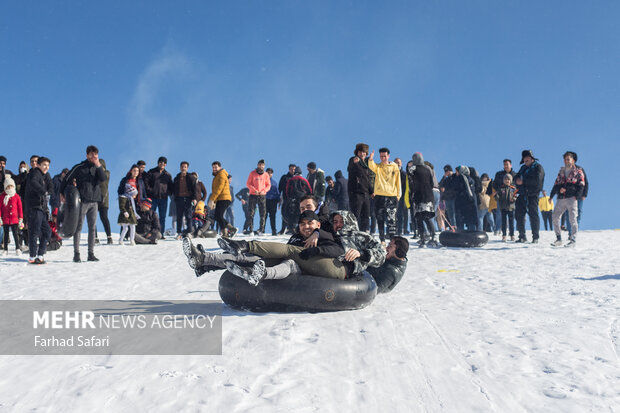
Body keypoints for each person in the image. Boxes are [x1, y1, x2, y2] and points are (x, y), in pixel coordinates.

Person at [185, 211, 346, 284]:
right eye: (303, 224)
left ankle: (261, 272)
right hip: (288, 264)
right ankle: (204, 259)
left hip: (306, 271)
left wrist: (317, 249)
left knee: (289, 263)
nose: (306, 227)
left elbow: (337, 250)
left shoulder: (324, 236)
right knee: (246, 258)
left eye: (310, 224)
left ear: (317, 225)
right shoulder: (296, 237)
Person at [61, 145, 106, 262]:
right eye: (91, 155)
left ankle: (91, 253)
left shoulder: (98, 167)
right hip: (82, 201)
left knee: (92, 228)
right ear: (87, 155)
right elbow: (66, 179)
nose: (94, 157)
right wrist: (62, 193)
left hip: (94, 202)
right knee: (78, 228)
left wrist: (98, 165)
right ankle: (76, 254)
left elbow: (103, 178)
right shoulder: (79, 167)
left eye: (96, 155)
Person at [550, 151, 585, 247]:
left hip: (571, 198)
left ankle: (573, 240)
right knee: (555, 217)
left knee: (572, 218)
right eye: (565, 159)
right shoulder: (561, 171)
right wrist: (551, 195)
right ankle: (558, 239)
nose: (566, 161)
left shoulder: (578, 171)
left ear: (573, 160)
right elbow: (556, 184)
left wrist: (576, 196)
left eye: (568, 159)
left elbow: (581, 185)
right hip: (561, 198)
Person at [368, 147, 401, 244]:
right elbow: (371, 166)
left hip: (392, 196)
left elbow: (398, 181)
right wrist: (371, 159)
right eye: (381, 156)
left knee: (391, 220)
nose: (383, 158)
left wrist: (398, 195)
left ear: (388, 156)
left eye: (385, 156)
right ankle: (382, 240)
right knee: (380, 219)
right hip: (379, 196)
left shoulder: (394, 167)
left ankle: (392, 240)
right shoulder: (377, 167)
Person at [25, 156, 53, 264]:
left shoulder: (45, 175)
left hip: (42, 209)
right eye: (44, 165)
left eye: (48, 165)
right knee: (34, 232)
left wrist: (49, 191)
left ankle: (40, 255)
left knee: (47, 232)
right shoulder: (35, 173)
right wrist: (44, 192)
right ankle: (32, 257)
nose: (46, 167)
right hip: (34, 207)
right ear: (39, 165)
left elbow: (51, 186)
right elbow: (33, 183)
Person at [514, 150, 545, 243]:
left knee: (533, 215)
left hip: (533, 195)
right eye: (524, 158)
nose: (525, 159)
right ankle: (522, 236)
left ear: (532, 158)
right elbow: (516, 177)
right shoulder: (522, 168)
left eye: (527, 158)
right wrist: (517, 180)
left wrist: (523, 181)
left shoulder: (538, 167)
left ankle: (535, 237)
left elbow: (537, 181)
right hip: (522, 194)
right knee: (518, 214)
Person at [407, 153, 438, 247]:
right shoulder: (428, 168)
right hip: (428, 195)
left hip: (418, 195)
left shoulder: (412, 169)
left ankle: (423, 238)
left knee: (419, 218)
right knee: (427, 217)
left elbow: (410, 182)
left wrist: (411, 194)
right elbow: (432, 183)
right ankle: (433, 236)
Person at [347, 143, 373, 232]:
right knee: (355, 215)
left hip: (365, 193)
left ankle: (363, 233)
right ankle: (353, 232)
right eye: (360, 152)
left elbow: (367, 179)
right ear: (357, 152)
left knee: (366, 215)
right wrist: (357, 163)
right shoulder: (353, 160)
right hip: (356, 192)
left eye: (364, 152)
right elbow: (358, 172)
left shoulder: (366, 164)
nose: (362, 154)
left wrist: (371, 191)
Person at [145, 156, 173, 236]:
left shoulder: (167, 175)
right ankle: (149, 232)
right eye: (161, 162)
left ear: (166, 164)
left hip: (163, 199)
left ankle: (160, 233)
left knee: (162, 217)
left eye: (164, 163)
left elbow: (171, 186)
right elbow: (146, 183)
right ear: (158, 163)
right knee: (150, 216)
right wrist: (151, 191)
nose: (162, 164)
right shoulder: (151, 172)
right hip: (153, 198)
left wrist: (167, 193)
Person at [209, 161, 237, 238]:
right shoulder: (217, 176)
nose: (214, 169)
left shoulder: (221, 175)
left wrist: (212, 199)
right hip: (220, 198)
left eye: (216, 167)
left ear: (220, 167)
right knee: (217, 216)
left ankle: (225, 233)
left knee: (219, 215)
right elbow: (215, 190)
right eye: (213, 167)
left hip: (224, 198)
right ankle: (231, 229)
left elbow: (219, 189)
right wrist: (214, 201)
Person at [173, 161, 198, 239]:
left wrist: (194, 198)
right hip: (179, 199)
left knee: (188, 216)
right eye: (182, 167)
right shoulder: (176, 178)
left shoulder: (191, 177)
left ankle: (189, 232)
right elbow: (174, 189)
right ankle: (179, 233)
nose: (183, 168)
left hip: (188, 199)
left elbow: (195, 189)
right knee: (179, 216)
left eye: (185, 167)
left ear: (187, 168)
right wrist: (175, 197)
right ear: (180, 168)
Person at [283, 166, 312, 233]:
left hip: (292, 199)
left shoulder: (291, 180)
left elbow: (287, 190)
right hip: (302, 199)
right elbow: (309, 190)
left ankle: (291, 228)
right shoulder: (304, 180)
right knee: (301, 214)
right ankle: (300, 229)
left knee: (291, 214)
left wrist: (288, 198)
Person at [117, 165, 141, 246]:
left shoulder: (138, 180)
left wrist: (136, 196)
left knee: (133, 225)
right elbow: (120, 191)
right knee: (125, 226)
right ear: (131, 171)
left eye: (137, 171)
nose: (136, 173)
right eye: (134, 170)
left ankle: (132, 240)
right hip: (126, 203)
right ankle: (121, 240)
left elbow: (139, 191)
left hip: (133, 204)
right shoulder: (126, 180)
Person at [246, 159, 271, 235]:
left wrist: (264, 191)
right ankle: (251, 230)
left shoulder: (266, 174)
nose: (261, 166)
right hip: (253, 195)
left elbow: (268, 185)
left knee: (262, 213)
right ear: (257, 165)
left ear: (264, 166)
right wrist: (254, 190)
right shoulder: (252, 173)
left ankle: (261, 230)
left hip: (262, 195)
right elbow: (248, 184)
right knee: (251, 213)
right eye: (260, 164)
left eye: (262, 165)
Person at [0, 176, 23, 255]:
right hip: (6, 218)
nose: (9, 188)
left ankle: (17, 248)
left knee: (15, 234)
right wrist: (0, 218)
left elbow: (20, 208)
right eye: (8, 186)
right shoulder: (2, 196)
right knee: (6, 235)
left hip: (14, 219)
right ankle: (5, 249)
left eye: (11, 186)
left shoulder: (16, 196)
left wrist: (21, 218)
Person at [453, 165, 478, 231]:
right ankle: (473, 234)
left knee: (460, 219)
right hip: (470, 202)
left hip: (461, 201)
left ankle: (460, 234)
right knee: (471, 219)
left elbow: (456, 188)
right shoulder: (471, 179)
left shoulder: (459, 178)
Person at [95, 159, 113, 245]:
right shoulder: (94, 174)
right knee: (93, 219)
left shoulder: (107, 173)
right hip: (94, 199)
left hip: (104, 200)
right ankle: (94, 237)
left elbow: (103, 178)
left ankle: (109, 237)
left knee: (104, 218)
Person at [495, 174, 518, 241]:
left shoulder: (513, 188)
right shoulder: (501, 188)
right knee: (504, 222)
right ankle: (504, 235)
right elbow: (498, 197)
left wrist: (513, 199)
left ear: (510, 181)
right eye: (505, 179)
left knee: (511, 222)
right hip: (503, 207)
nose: (507, 181)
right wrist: (496, 196)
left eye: (508, 179)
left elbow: (516, 195)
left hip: (511, 207)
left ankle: (512, 235)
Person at [278, 164, 296, 234]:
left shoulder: (296, 177)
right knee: (284, 213)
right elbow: (280, 188)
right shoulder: (284, 177)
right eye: (291, 169)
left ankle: (292, 228)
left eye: (294, 169)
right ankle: (283, 228)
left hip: (294, 199)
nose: (293, 170)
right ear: (289, 169)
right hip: (285, 198)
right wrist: (279, 198)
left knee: (293, 213)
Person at [394, 158, 409, 236]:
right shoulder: (392, 173)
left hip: (402, 196)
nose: (397, 164)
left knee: (401, 213)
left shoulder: (404, 174)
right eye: (396, 162)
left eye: (399, 162)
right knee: (394, 214)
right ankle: (395, 229)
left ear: (401, 163)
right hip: (393, 196)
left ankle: (401, 230)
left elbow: (406, 186)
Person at [265, 168, 280, 236]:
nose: (269, 174)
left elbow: (277, 193)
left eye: (270, 173)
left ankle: (273, 230)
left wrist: (278, 200)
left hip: (273, 201)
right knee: (264, 216)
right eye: (268, 172)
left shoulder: (274, 182)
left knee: (273, 216)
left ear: (272, 174)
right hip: (265, 200)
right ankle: (262, 230)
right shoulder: (263, 181)